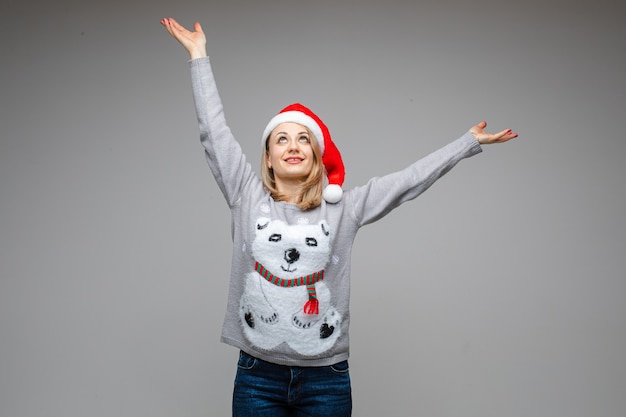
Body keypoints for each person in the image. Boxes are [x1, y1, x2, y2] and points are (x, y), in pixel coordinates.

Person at [160, 17, 518, 417]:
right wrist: (199, 56)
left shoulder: (343, 207)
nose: (292, 146)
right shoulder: (245, 194)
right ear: (268, 157)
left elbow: (408, 181)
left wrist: (466, 143)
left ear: (316, 154)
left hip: (325, 379)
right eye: (282, 138)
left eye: (303, 140)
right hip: (257, 376)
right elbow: (214, 132)